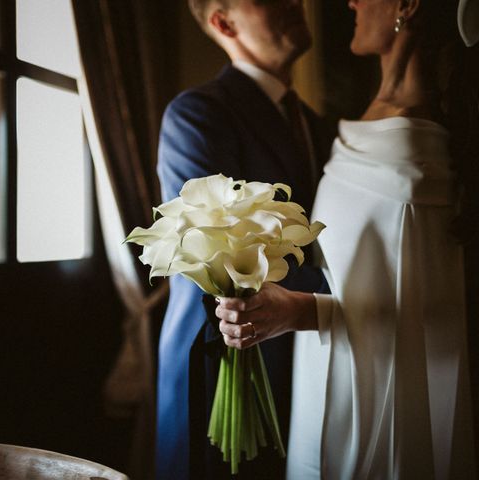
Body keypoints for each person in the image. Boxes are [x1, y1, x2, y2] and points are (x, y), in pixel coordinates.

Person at [215, 0, 478, 478]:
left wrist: (299, 310)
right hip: (325, 366)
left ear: (407, 6)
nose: (351, 2)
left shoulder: (414, 148)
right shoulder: (368, 122)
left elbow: (425, 314)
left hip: (380, 396)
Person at [155, 1, 333, 479]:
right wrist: (349, 301)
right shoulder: (198, 113)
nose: (293, 3)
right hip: (223, 358)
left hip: (302, 349)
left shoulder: (317, 126)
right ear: (222, 22)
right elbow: (217, 253)